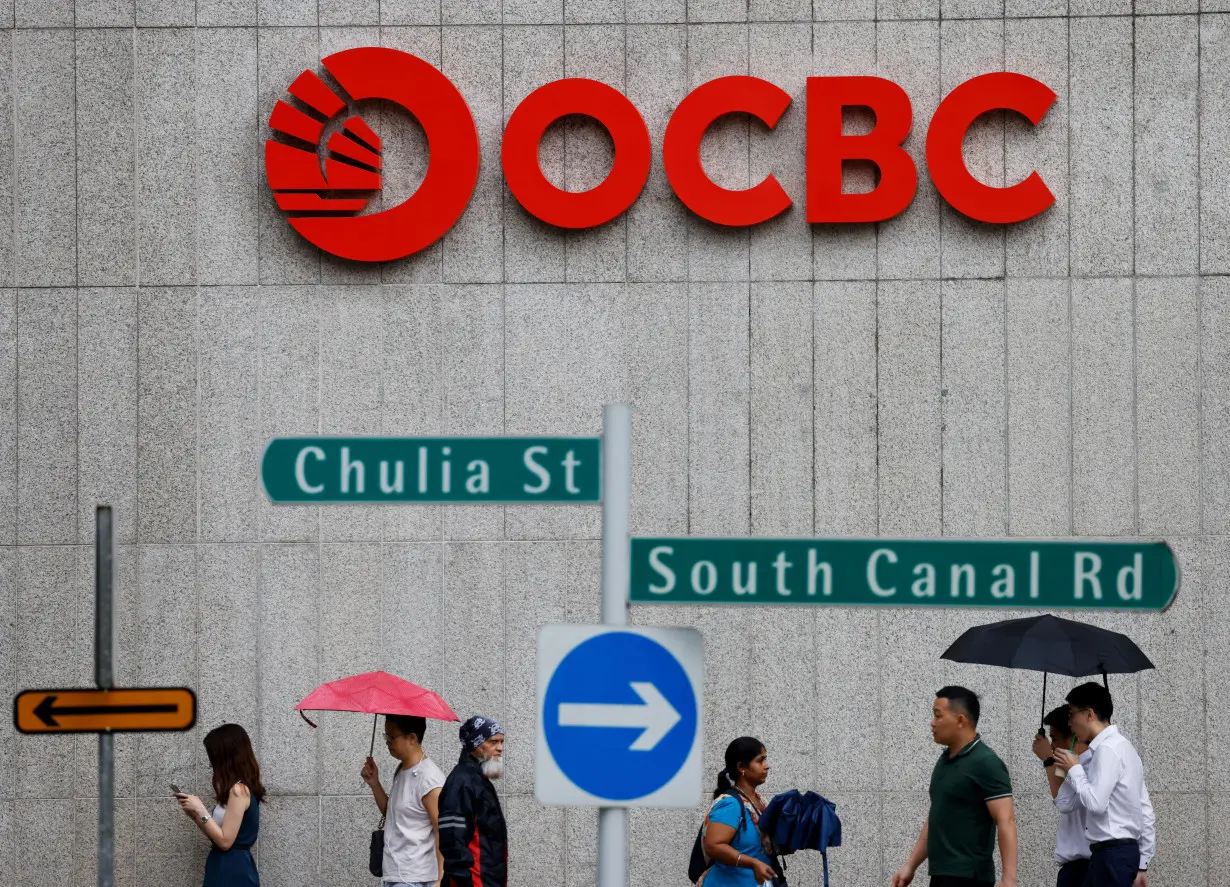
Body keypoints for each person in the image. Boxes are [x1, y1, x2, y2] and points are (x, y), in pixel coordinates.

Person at [892, 686, 1018, 887]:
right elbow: (937, 816)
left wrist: (1009, 880)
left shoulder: (986, 762)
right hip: (941, 875)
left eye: (938, 716)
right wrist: (910, 865)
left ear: (960, 720)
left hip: (970, 878)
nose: (932, 723)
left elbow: (1006, 820)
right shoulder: (944, 761)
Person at [1052, 683, 1155, 887]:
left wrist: (1074, 769)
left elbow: (1096, 803)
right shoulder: (1125, 747)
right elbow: (1145, 809)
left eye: (1072, 714)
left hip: (1111, 854)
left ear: (1089, 714)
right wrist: (1142, 863)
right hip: (1120, 854)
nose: (1070, 723)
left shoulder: (1106, 750)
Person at [175, 723, 266, 887]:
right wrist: (196, 816)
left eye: (213, 758)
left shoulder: (239, 790)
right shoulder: (235, 789)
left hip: (232, 868)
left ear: (225, 757)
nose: (211, 764)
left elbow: (225, 842)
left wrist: (201, 809)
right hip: (222, 864)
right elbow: (217, 836)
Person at [362, 714, 446, 887]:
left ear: (412, 738)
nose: (387, 742)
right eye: (385, 736)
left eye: (391, 736)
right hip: (395, 874)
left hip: (415, 878)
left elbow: (442, 830)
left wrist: (440, 879)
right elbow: (392, 814)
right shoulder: (402, 770)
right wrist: (374, 783)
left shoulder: (429, 778)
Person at [699, 736, 780, 886]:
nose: (767, 766)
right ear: (741, 767)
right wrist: (753, 863)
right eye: (760, 760)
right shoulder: (730, 804)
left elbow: (761, 847)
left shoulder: (760, 802)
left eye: (765, 759)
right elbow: (713, 846)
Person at [438, 715, 508, 887]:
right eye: (493, 742)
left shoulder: (478, 779)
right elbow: (453, 842)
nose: (500, 748)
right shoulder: (462, 782)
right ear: (475, 745)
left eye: (501, 742)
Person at [1031, 706, 1092, 887]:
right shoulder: (1076, 763)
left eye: (1055, 739)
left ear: (1074, 737)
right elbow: (1062, 788)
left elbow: (1064, 801)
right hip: (1075, 868)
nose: (1052, 746)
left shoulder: (1090, 764)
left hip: (1085, 867)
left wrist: (1048, 759)